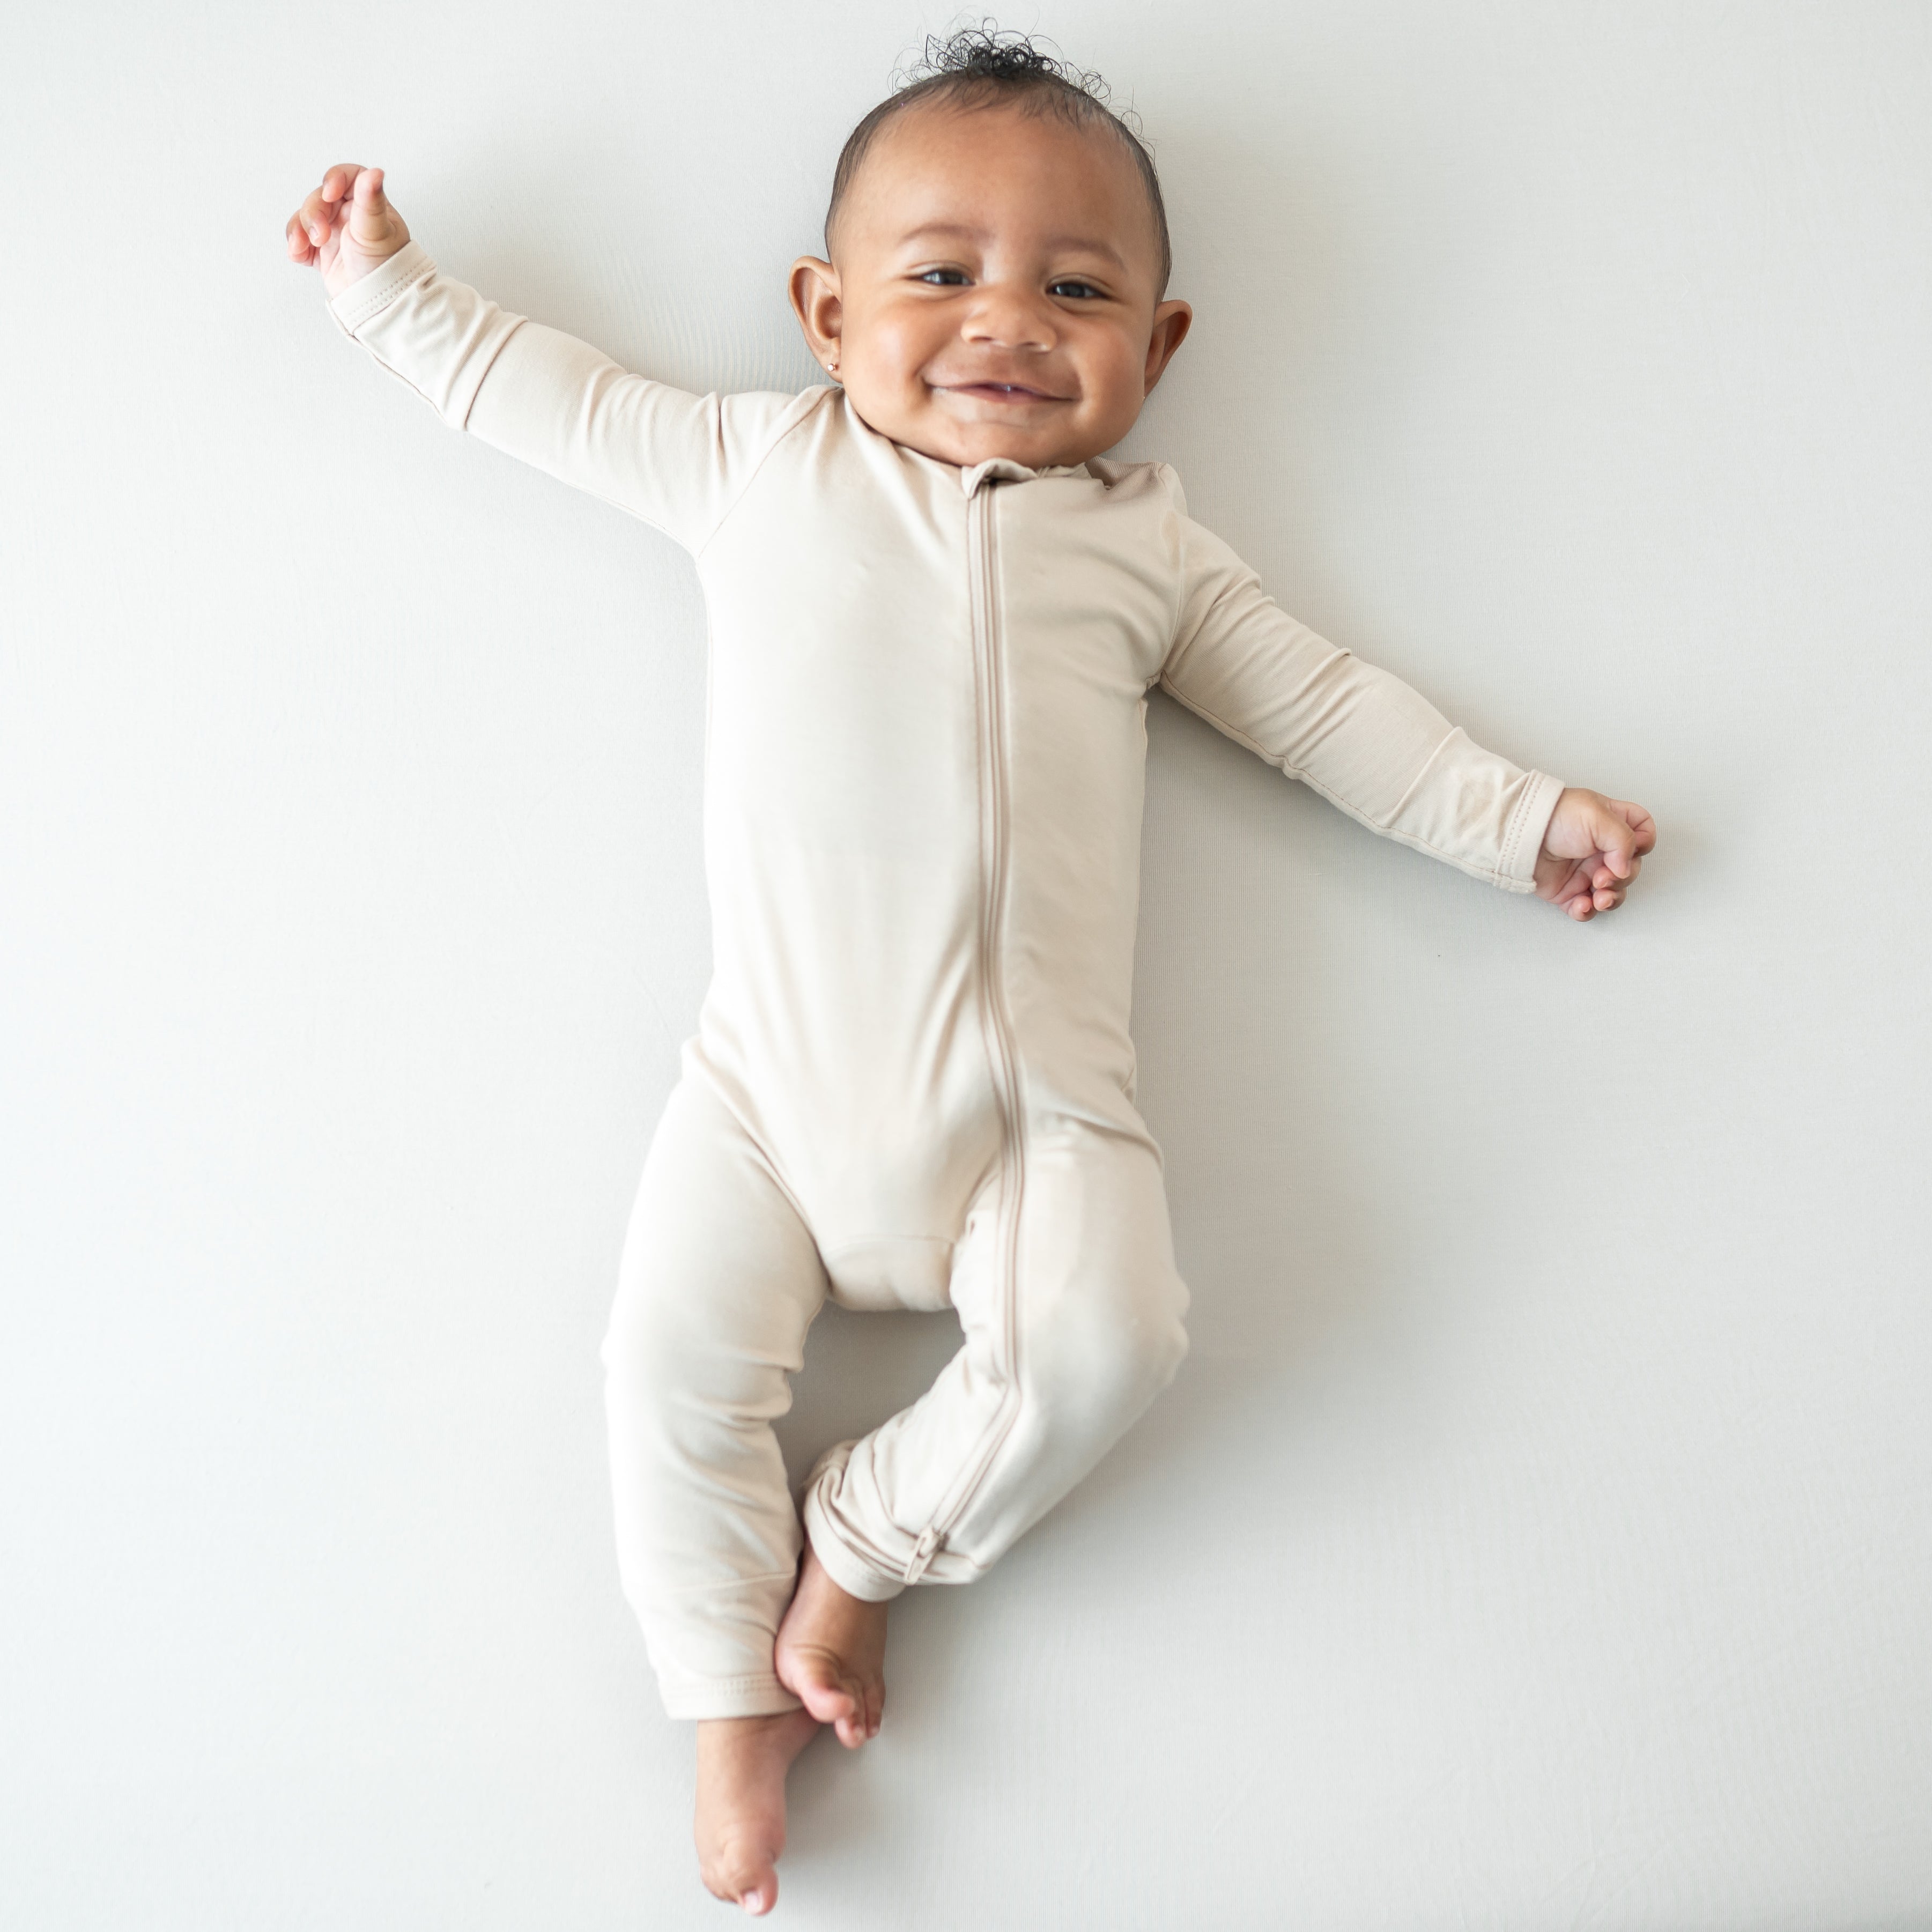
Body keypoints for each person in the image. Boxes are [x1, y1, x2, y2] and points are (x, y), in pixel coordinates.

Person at [286, 28, 1655, 1916]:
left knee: (1115, 1334)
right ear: (826, 313)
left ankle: (859, 1545)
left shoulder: (1150, 552)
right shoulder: (757, 464)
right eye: (938, 276)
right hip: (764, 1092)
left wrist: (1519, 819)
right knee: (664, 1377)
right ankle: (722, 1713)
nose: (1004, 319)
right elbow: (549, 396)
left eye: (1075, 287)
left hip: (1042, 1121)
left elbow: (1330, 712)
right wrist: (385, 289)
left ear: (1160, 345)